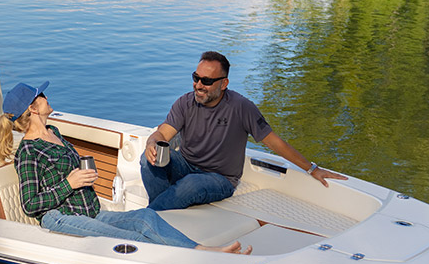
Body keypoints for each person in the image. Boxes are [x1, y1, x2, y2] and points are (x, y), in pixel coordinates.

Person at [0, 81, 250, 254]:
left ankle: (202, 252)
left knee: (145, 217)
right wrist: (69, 183)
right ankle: (197, 263)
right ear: (33, 108)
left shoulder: (54, 131)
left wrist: (83, 179)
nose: (47, 97)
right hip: (60, 218)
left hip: (89, 212)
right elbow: (30, 204)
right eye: (42, 95)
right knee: (130, 239)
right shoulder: (29, 151)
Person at [141, 51, 346, 211]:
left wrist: (312, 169)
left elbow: (274, 142)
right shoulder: (185, 103)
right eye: (196, 78)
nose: (199, 85)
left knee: (190, 185)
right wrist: (152, 142)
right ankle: (160, 212)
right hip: (185, 165)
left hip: (220, 179)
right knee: (147, 160)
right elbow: (163, 134)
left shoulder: (241, 107)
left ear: (224, 84)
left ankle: (149, 216)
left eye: (207, 81)